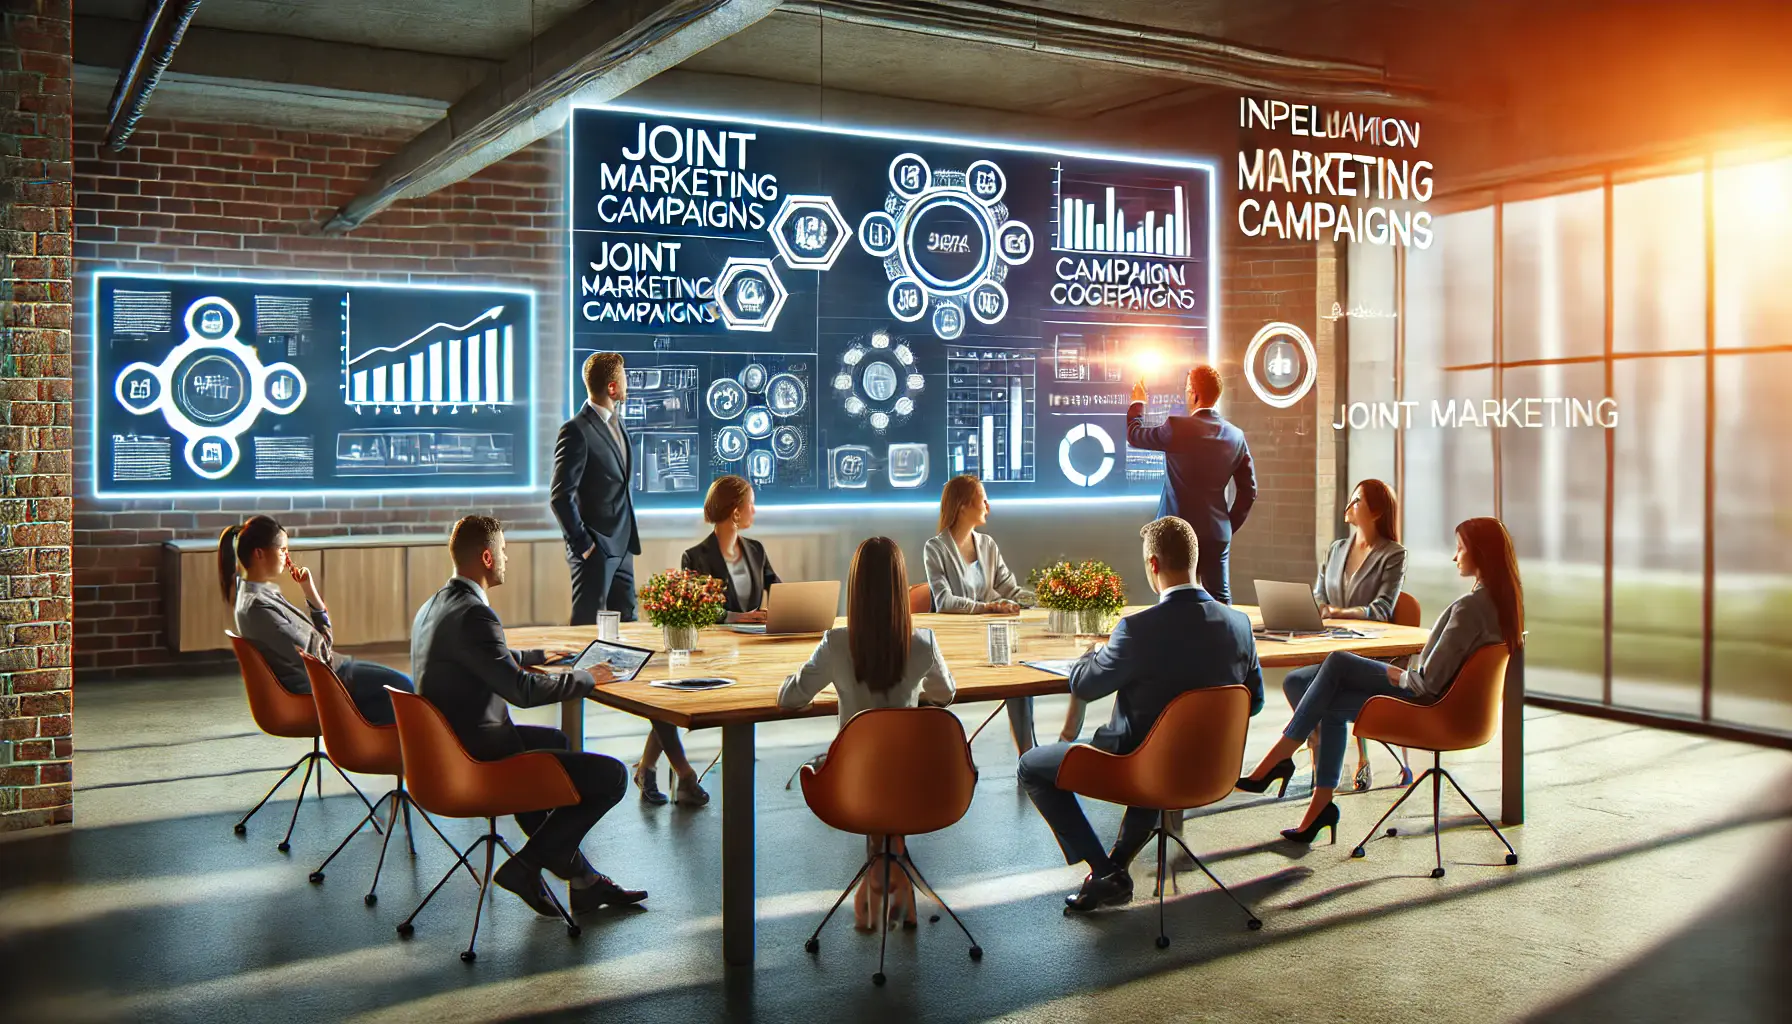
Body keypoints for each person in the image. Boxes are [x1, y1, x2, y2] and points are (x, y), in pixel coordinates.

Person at [1017, 516, 1263, 914]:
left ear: (1153, 565)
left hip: (1144, 770)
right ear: (1195, 561)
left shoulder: (1137, 629)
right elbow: (1255, 701)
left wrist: (1089, 656)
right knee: (1155, 745)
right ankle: (1114, 870)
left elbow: (1086, 686)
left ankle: (1103, 871)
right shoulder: (1239, 625)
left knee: (1031, 766)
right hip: (1212, 769)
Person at [411, 515, 646, 917]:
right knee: (613, 777)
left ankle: (583, 880)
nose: (507, 558)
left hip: (448, 750)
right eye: (503, 551)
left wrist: (538, 656)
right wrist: (587, 677)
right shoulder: (476, 614)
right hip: (479, 762)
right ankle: (524, 866)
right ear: (487, 557)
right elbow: (521, 691)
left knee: (556, 744)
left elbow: (482, 657)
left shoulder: (436, 605)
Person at [1240, 517, 1524, 846]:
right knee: (1325, 696)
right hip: (1452, 706)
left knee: (1337, 661)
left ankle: (1279, 756)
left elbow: (1426, 684)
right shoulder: (1503, 606)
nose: (1454, 556)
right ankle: (1318, 810)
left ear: (1480, 554)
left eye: (1460, 548)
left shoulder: (1468, 609)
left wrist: (1395, 673)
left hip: (1428, 704)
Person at [778, 535, 956, 931]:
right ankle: (895, 878)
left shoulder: (837, 642)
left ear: (855, 588)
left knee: (868, 768)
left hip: (851, 783)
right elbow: (945, 694)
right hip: (915, 781)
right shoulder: (923, 642)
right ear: (900, 587)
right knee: (895, 771)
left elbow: (790, 698)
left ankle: (878, 878)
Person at [629, 475, 778, 807]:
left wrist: (778, 610)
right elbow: (695, 611)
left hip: (750, 650)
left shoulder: (756, 550)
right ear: (735, 512)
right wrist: (738, 618)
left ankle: (648, 768)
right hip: (707, 650)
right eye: (750, 503)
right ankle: (683, 775)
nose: (755, 509)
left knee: (668, 706)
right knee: (670, 701)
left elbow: (778, 589)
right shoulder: (694, 556)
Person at [923, 474, 1072, 756]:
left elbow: (1010, 590)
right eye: (983, 499)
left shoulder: (987, 545)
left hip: (990, 637)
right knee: (1013, 664)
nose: (988, 506)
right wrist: (988, 607)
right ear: (964, 506)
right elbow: (944, 601)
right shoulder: (935, 548)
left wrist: (1048, 598)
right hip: (955, 643)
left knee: (1019, 667)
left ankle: (1027, 751)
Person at [220, 515, 413, 725]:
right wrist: (320, 624)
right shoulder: (258, 606)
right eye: (282, 549)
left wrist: (309, 590)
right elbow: (318, 652)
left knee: (394, 691)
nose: (287, 557)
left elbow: (316, 646)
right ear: (259, 553)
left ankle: (374, 748)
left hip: (329, 671)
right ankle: (374, 750)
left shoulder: (257, 594)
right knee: (403, 687)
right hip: (325, 680)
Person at [1307, 479, 1408, 790]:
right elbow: (1319, 593)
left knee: (1322, 680)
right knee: (1304, 679)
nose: (1348, 506)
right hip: (1330, 641)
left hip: (1372, 650)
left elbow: (1381, 609)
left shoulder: (1393, 554)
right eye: (1350, 500)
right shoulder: (1337, 549)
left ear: (1376, 512)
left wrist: (1337, 614)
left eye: (1357, 501)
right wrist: (1322, 608)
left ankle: (1345, 759)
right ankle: (1320, 754)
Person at [1126, 364, 1256, 602]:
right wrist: (1225, 524)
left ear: (1194, 393)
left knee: (1174, 601)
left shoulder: (1177, 428)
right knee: (1220, 601)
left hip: (1175, 537)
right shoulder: (1236, 436)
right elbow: (1249, 491)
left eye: (1187, 390)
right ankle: (1226, 639)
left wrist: (1138, 403)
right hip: (1216, 533)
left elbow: (1135, 435)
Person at [551, 351, 641, 626]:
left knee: (629, 624)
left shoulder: (618, 423)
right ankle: (582, 673)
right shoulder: (576, 430)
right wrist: (584, 545)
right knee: (587, 627)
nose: (628, 384)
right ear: (612, 387)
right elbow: (560, 496)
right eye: (624, 379)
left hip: (623, 544)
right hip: (595, 550)